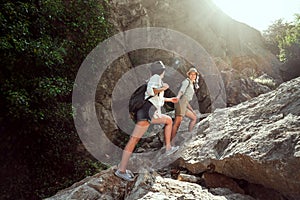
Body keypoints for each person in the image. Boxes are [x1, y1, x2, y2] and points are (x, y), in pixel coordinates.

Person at [115, 61, 179, 181]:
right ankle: (121, 170)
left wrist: (170, 99)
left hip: (150, 113)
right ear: (162, 71)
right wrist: (163, 88)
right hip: (146, 113)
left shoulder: (155, 79)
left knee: (168, 120)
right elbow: (151, 91)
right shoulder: (156, 78)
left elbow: (156, 98)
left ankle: (168, 148)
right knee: (133, 140)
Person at [171, 67, 199, 142]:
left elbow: (186, 100)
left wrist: (192, 110)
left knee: (194, 118)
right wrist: (177, 97)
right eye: (191, 74)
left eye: (194, 74)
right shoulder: (186, 81)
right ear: (189, 75)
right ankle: (171, 143)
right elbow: (182, 91)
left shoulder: (192, 84)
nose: (193, 76)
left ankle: (189, 136)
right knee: (177, 123)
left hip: (184, 104)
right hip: (180, 103)